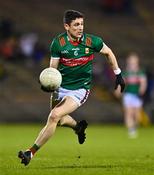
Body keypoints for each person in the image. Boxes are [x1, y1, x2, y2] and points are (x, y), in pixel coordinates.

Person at [18, 9, 125, 166]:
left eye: (81, 24)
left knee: (54, 116)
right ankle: (78, 127)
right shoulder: (58, 43)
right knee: (59, 120)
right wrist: (49, 83)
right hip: (60, 87)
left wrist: (118, 74)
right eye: (76, 25)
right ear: (66, 26)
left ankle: (30, 152)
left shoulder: (91, 41)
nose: (80, 28)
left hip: (80, 89)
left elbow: (108, 52)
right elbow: (53, 68)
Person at [115, 52, 147, 138]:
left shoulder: (140, 72)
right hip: (128, 95)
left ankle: (134, 127)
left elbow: (143, 82)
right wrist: (118, 90)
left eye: (134, 61)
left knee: (137, 115)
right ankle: (131, 130)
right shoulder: (126, 73)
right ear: (128, 62)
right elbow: (121, 83)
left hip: (137, 95)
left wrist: (142, 89)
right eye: (131, 61)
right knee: (128, 113)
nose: (132, 63)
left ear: (137, 62)